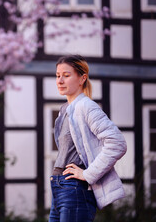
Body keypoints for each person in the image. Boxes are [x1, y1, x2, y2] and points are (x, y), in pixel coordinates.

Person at [49, 55, 127, 222]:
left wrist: (88, 174)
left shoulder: (86, 106)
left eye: (66, 75)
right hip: (59, 188)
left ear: (82, 78)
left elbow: (117, 143)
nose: (60, 80)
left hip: (75, 190)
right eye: (57, 75)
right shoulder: (65, 110)